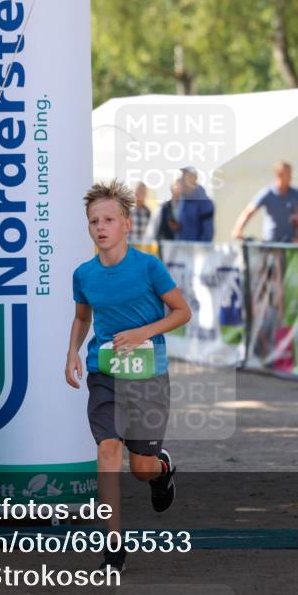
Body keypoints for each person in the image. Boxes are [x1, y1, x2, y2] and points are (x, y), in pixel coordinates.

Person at [65, 181, 191, 573]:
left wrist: (143, 333)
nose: (100, 227)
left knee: (141, 468)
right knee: (107, 451)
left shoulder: (148, 267)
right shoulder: (84, 274)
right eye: (93, 221)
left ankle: (161, 470)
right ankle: (113, 548)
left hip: (148, 374)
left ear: (126, 224)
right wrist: (72, 350)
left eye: (108, 220)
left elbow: (181, 312)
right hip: (105, 372)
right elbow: (83, 316)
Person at [231, 161, 298, 242]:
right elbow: (249, 211)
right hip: (271, 243)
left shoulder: (296, 193)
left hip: (290, 243)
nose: (291, 177)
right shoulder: (268, 192)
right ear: (279, 174)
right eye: (288, 174)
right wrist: (238, 229)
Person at [175, 166, 214, 242]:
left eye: (186, 176)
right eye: (182, 176)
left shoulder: (205, 202)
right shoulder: (182, 199)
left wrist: (199, 252)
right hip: (181, 250)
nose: (182, 179)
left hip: (197, 252)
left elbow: (207, 234)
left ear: (194, 178)